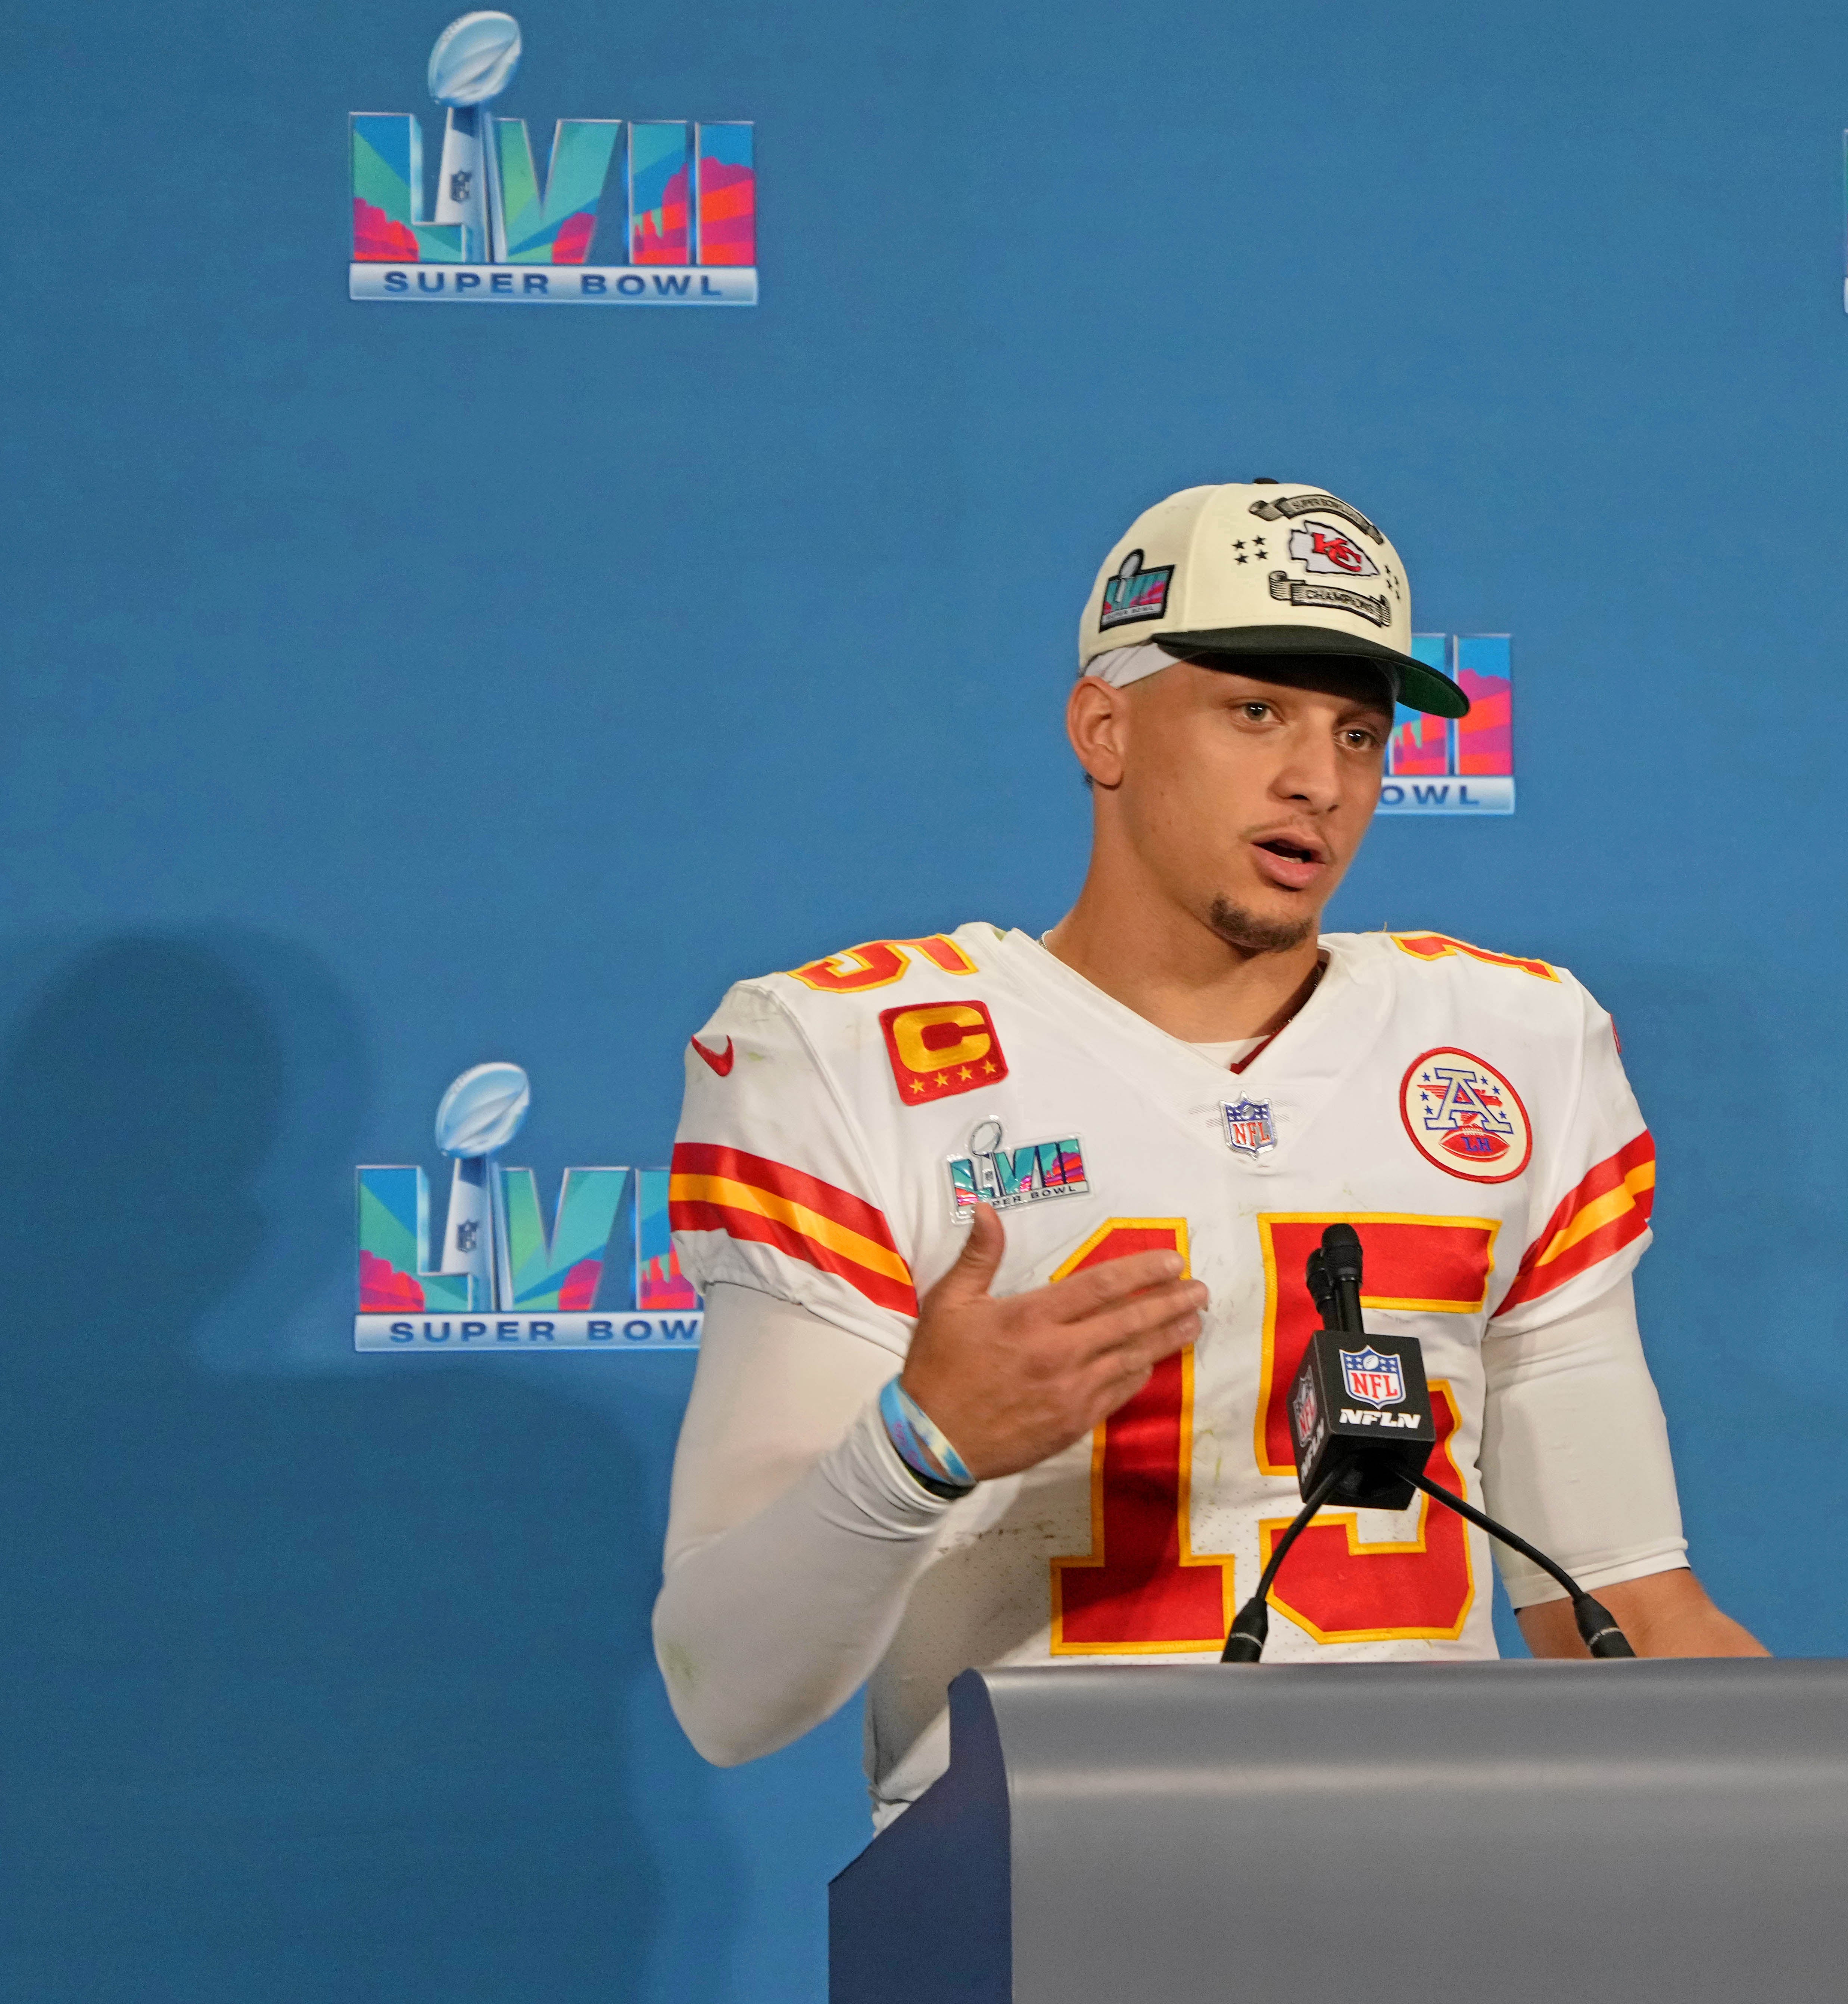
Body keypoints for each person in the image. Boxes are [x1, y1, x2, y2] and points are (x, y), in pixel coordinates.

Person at [651, 479, 1761, 1819]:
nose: (1321, 778)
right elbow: (728, 1693)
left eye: (1361, 731)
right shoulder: (847, 1054)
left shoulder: (1515, 1045)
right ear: (1103, 728)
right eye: (1258, 712)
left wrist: (1837, 1835)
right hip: (1045, 1901)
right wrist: (919, 1445)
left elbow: (1626, 1594)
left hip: (1434, 1895)